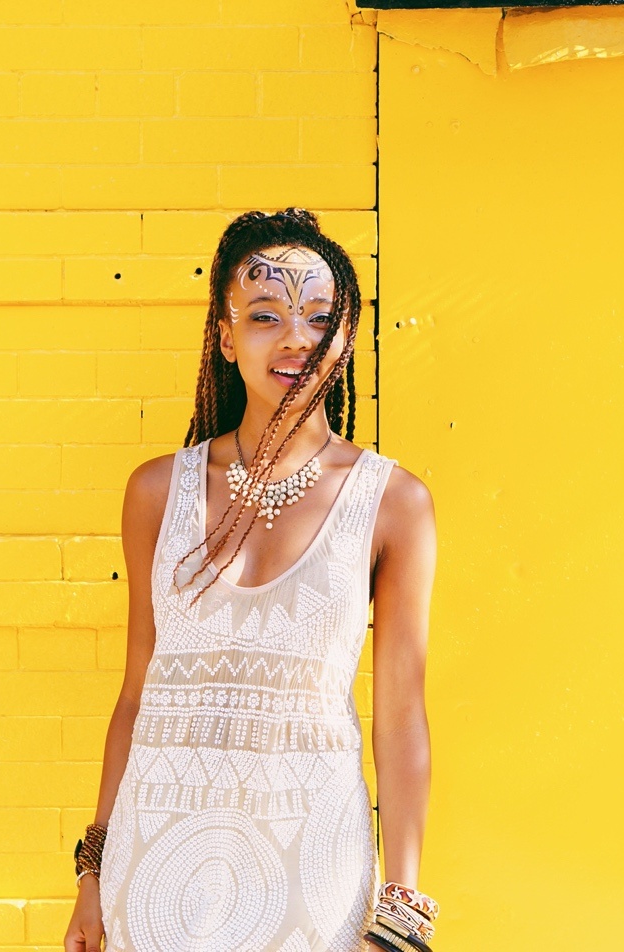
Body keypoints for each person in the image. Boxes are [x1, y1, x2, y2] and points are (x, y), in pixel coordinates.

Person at [63, 208, 437, 952]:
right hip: (156, 866)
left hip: (314, 872)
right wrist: (93, 874)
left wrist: (400, 917)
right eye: (266, 316)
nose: (295, 337)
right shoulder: (154, 493)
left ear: (346, 339)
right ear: (226, 337)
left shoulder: (393, 503)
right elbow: (138, 690)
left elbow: (399, 717)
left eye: (318, 318)